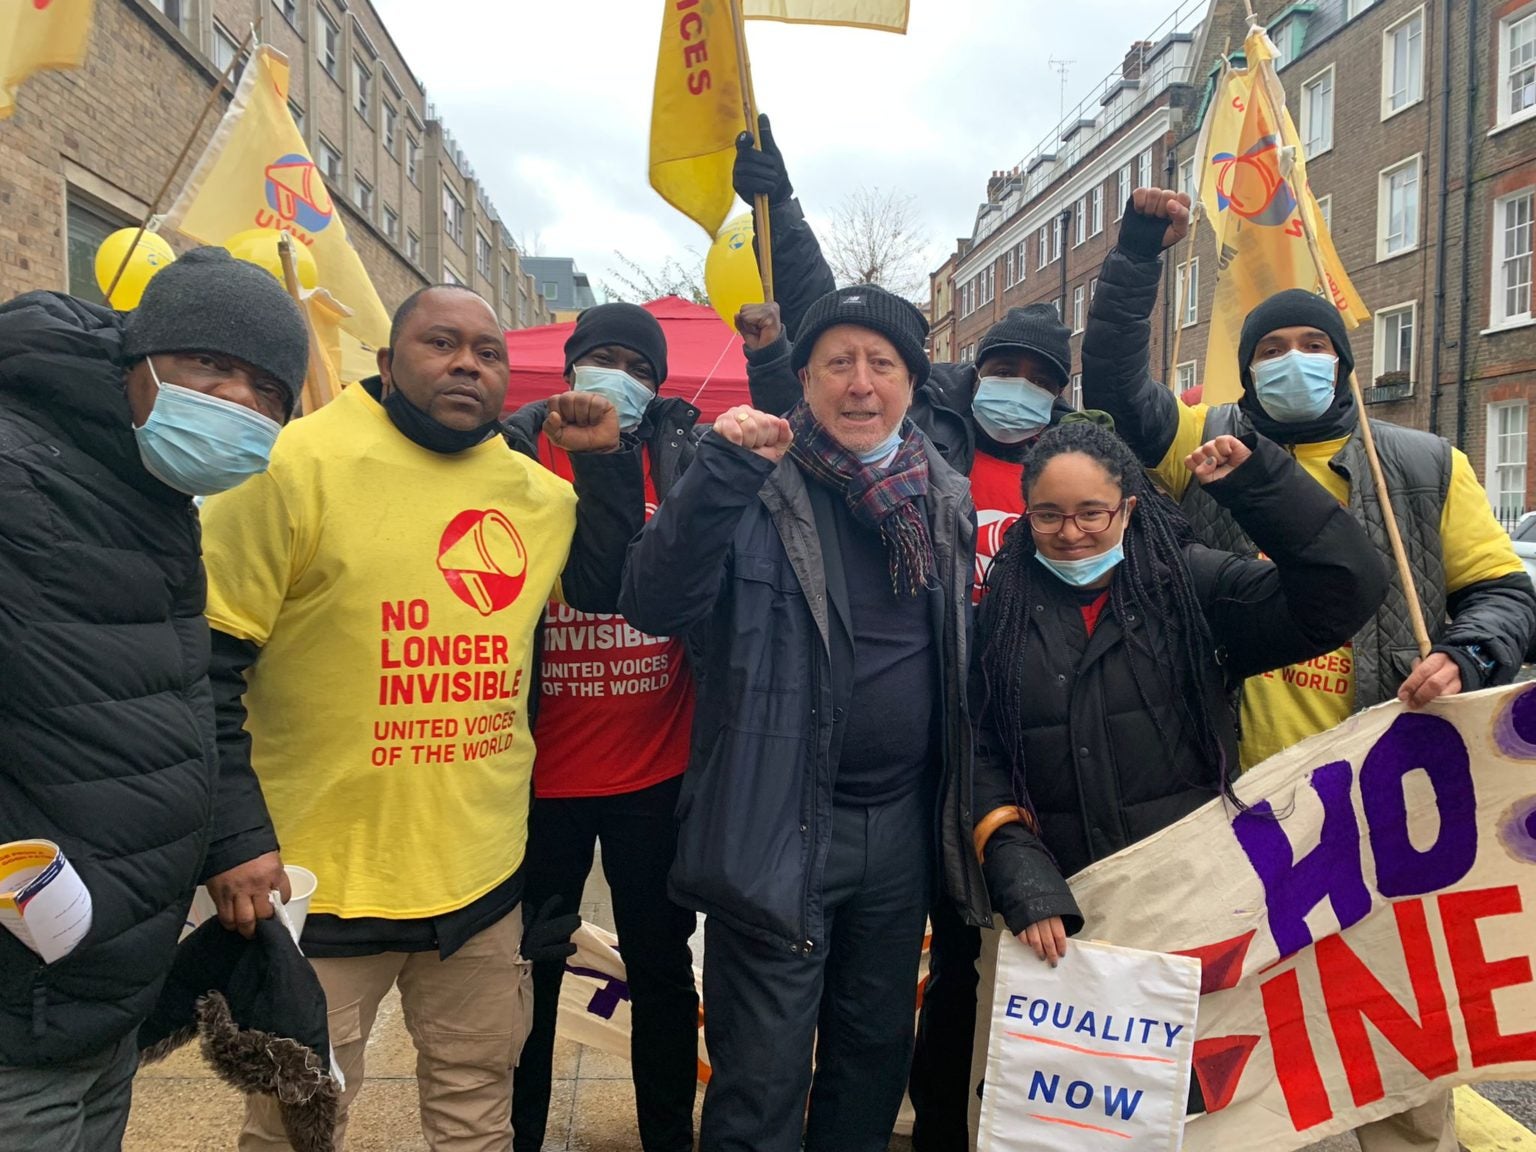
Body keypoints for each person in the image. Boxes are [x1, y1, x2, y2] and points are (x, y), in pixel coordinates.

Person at [1082, 187, 1536, 1150]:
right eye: (1271, 351)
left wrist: (1467, 652)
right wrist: (1132, 263)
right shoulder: (1204, 445)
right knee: (1280, 1063)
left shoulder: (1422, 464)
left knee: (1402, 1046)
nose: (1293, 362)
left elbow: (1505, 592)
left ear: (1346, 362)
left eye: (1313, 346)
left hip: (1387, 806)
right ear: (1245, 371)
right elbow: (1118, 389)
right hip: (1244, 811)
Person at [198, 284, 645, 1152]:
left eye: (488, 352)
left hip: (479, 883)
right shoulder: (290, 468)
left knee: (477, 1112)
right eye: (442, 342)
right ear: (386, 361)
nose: (467, 363)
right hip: (318, 885)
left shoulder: (535, 496)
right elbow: (206, 671)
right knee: (296, 1126)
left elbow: (602, 585)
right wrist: (232, 841)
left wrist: (604, 463)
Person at [735, 123, 1085, 1150]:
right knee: (786, 1048)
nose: (1016, 383)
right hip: (824, 801)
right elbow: (839, 336)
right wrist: (786, 212)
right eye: (1000, 366)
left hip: (963, 779)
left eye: (1037, 372)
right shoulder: (927, 450)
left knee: (911, 1012)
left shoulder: (1075, 469)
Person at [620, 284, 990, 1152]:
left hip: (899, 833)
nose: (860, 385)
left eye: (882, 364)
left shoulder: (941, 494)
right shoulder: (749, 475)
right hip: (775, 826)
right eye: (838, 363)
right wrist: (719, 474)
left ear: (911, 381)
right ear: (807, 378)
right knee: (760, 1081)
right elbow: (652, 601)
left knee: (870, 1065)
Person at [0, 248, 309, 1150]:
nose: (236, 405)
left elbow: (160, 701)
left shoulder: (151, 494)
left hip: (98, 998)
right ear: (139, 356)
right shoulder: (21, 477)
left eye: (267, 393)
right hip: (24, 1000)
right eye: (210, 368)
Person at [973, 419, 1385, 965]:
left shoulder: (1192, 587)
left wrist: (1262, 486)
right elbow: (979, 754)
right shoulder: (1000, 612)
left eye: (1092, 512)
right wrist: (1022, 878)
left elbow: (1344, 590)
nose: (1070, 533)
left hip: (1193, 900)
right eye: (1048, 515)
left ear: (1129, 508)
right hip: (1058, 917)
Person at [504, 303, 701, 1152]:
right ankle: (517, 1136)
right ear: (569, 368)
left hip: (655, 775)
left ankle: (668, 1137)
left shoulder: (679, 459)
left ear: (655, 385)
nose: (619, 372)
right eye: (602, 356)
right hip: (538, 780)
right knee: (529, 976)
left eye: (637, 363)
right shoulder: (514, 455)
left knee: (662, 972)